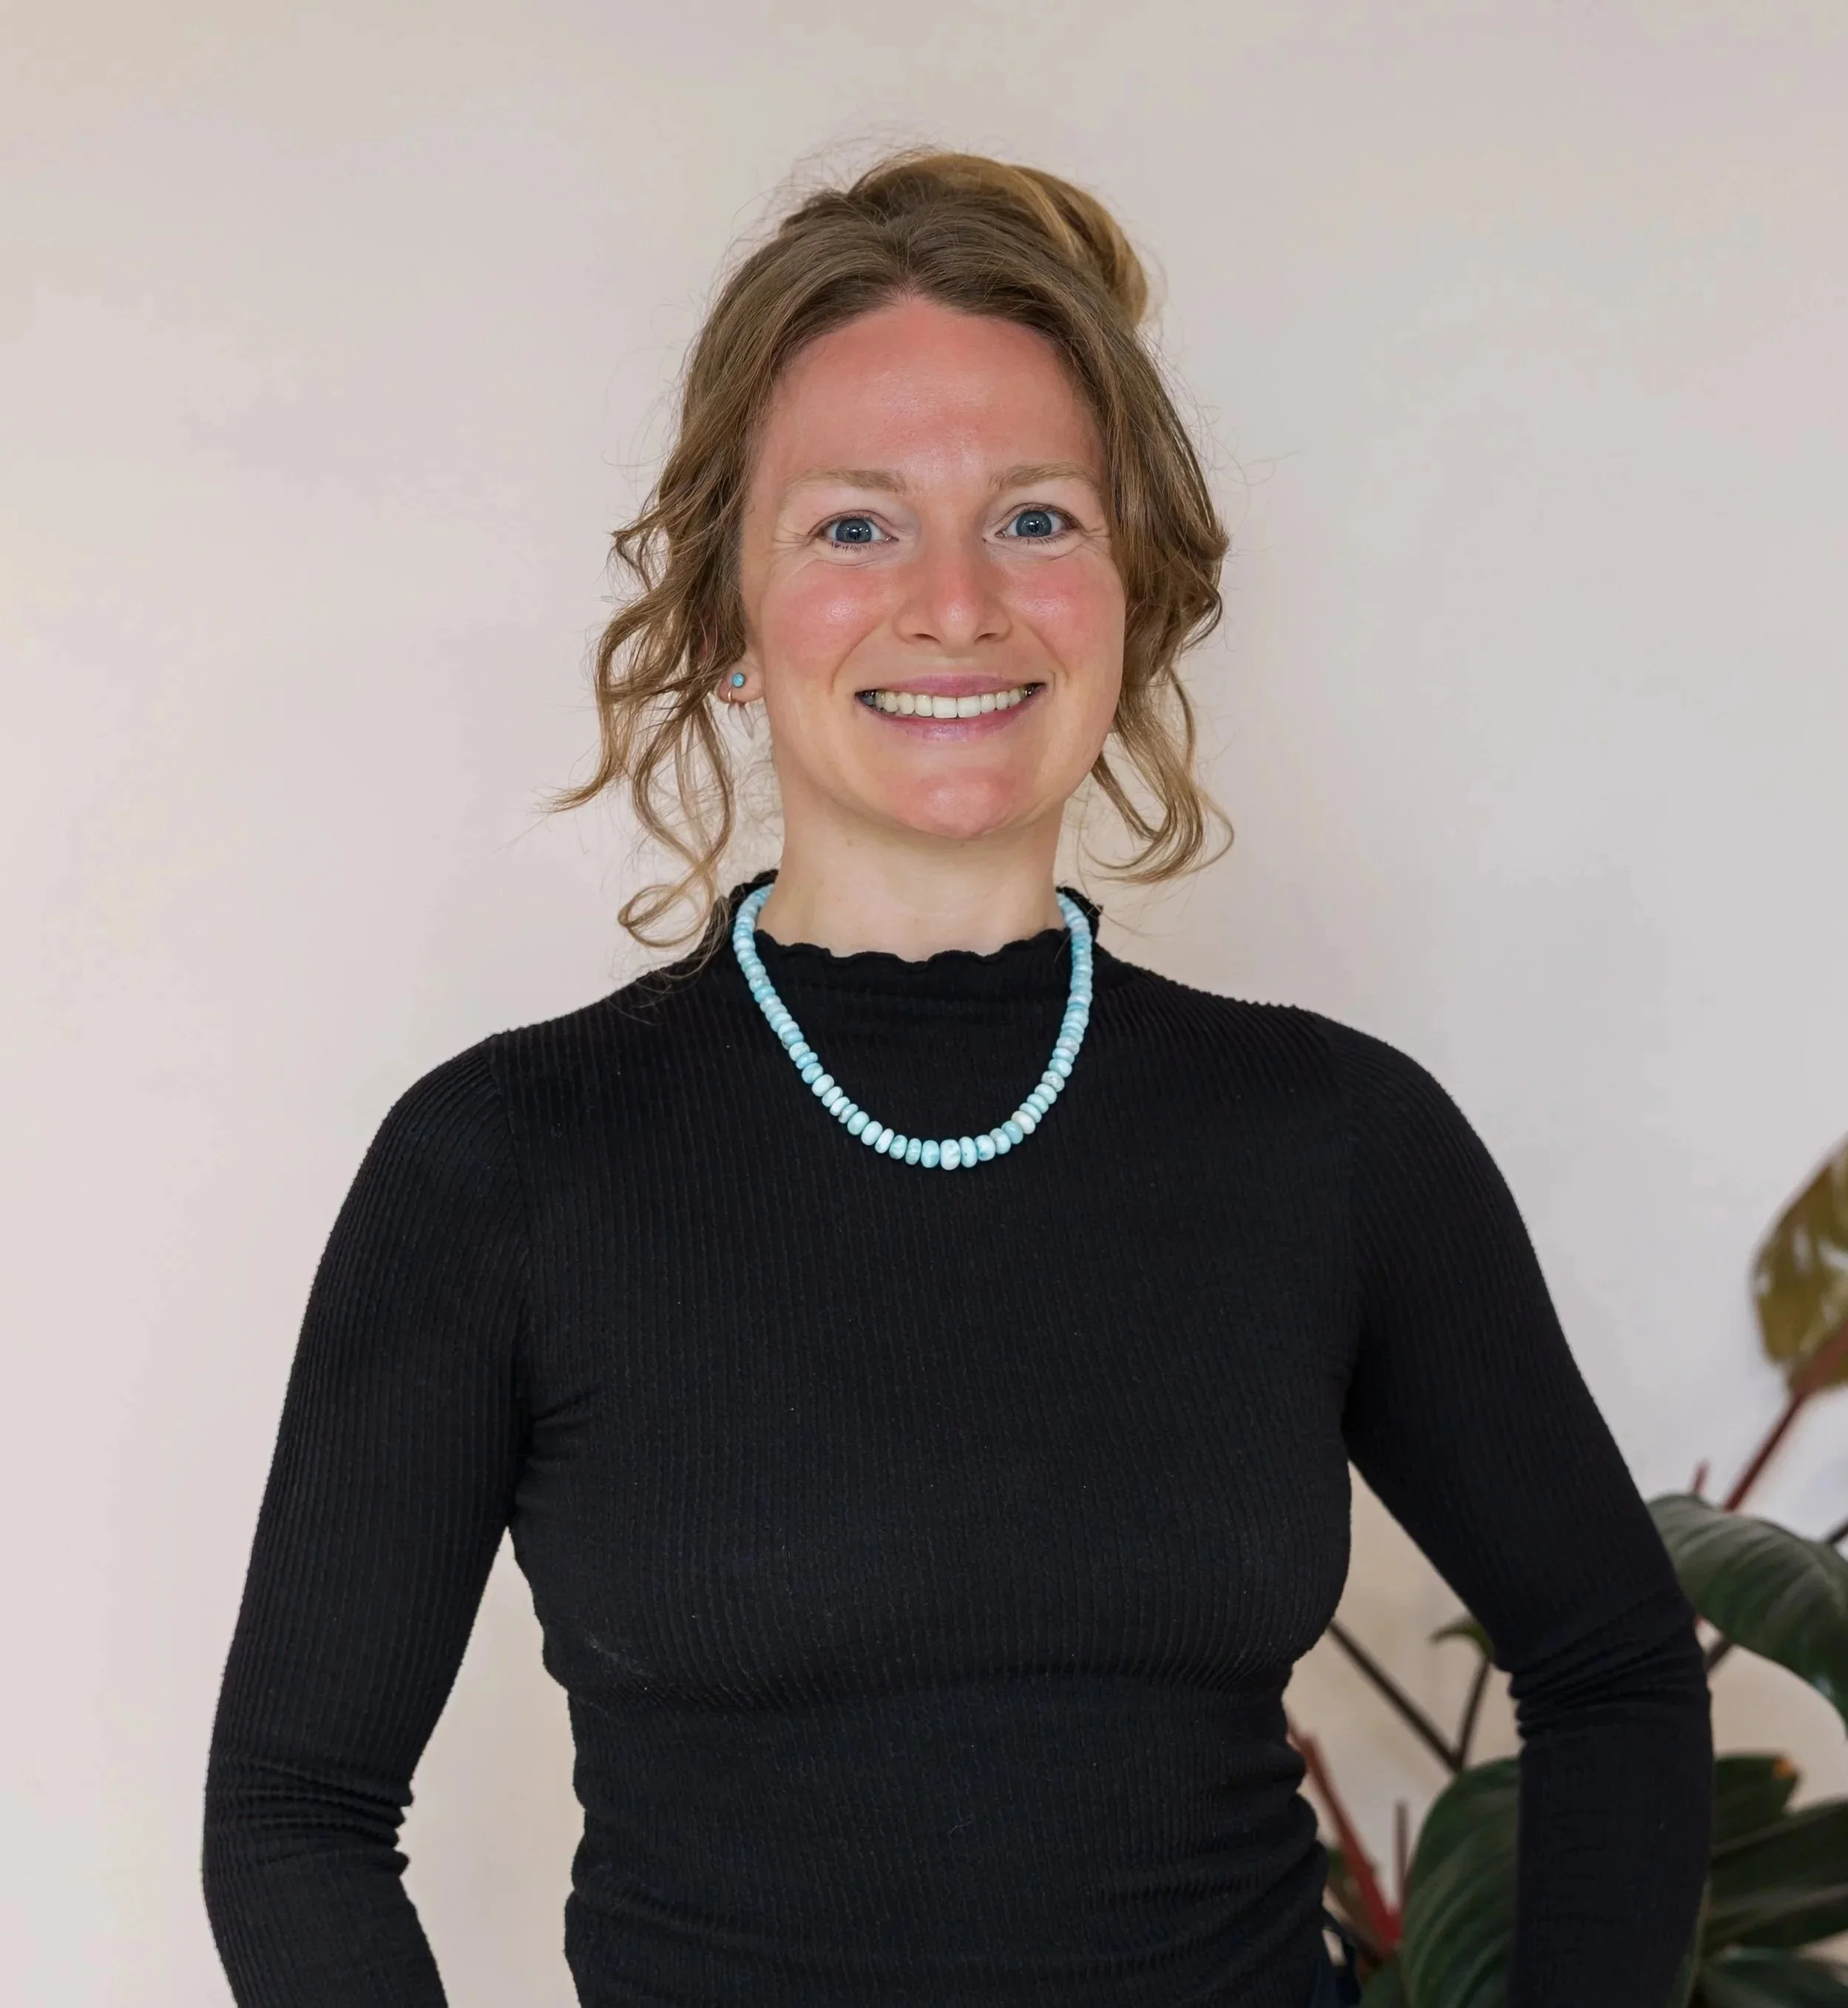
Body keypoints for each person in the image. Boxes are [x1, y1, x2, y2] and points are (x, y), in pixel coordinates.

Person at [202, 151, 1712, 2008]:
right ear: (725, 620)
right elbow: (295, 1806)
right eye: (852, 526)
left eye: (1035, 519)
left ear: (1130, 593)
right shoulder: (510, 1162)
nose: (952, 603)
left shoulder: (1331, 1140)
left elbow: (1619, 1672)